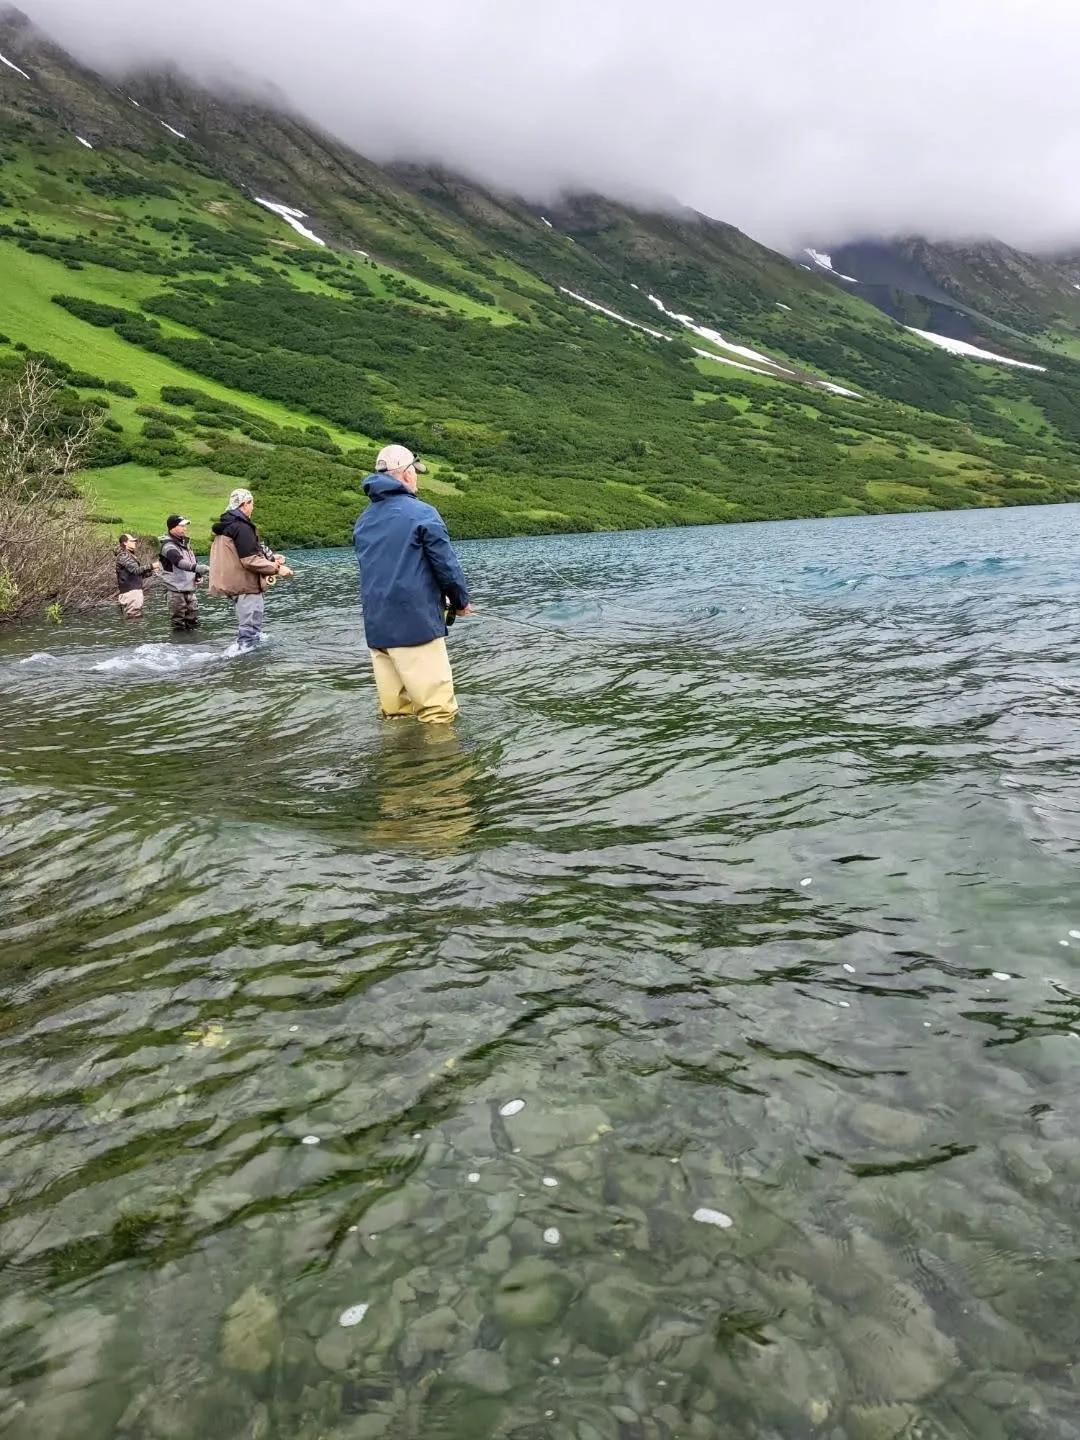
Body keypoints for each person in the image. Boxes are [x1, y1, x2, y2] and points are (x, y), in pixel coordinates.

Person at [353, 444, 472, 723]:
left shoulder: (363, 520)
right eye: (415, 472)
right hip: (415, 628)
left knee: (396, 716)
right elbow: (446, 567)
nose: (417, 478)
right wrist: (460, 602)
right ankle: (444, 766)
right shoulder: (422, 513)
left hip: (378, 631)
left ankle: (399, 765)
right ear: (406, 474)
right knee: (438, 714)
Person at [208, 488, 293, 649]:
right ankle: (246, 661)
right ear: (245, 504)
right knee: (249, 630)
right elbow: (250, 560)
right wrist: (277, 569)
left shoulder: (229, 525)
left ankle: (250, 664)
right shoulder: (241, 526)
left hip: (236, 583)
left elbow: (245, 552)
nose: (253, 507)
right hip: (245, 584)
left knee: (251, 629)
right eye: (251, 503)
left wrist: (272, 558)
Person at [159, 515, 207, 632]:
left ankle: (193, 645)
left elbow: (192, 560)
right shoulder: (168, 546)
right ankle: (179, 646)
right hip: (175, 591)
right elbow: (179, 562)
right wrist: (199, 568)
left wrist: (198, 576)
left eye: (185, 526)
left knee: (193, 622)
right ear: (172, 528)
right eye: (181, 526)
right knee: (178, 624)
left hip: (189, 589)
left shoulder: (186, 544)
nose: (184, 528)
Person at [115, 533, 158, 618]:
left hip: (133, 592)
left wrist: (152, 571)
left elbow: (137, 575)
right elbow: (135, 571)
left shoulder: (128, 555)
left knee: (135, 618)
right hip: (131, 593)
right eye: (132, 541)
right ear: (125, 543)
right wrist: (152, 566)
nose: (135, 542)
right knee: (134, 619)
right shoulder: (123, 556)